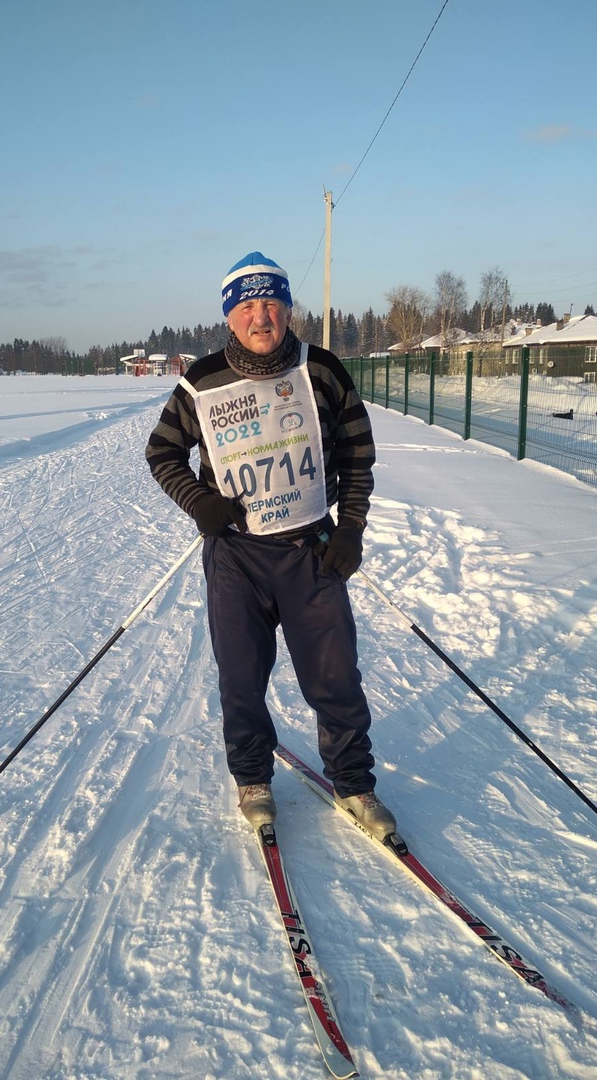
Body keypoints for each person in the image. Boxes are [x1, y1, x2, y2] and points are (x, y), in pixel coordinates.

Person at [145, 252, 396, 839]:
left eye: (272, 303)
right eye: (248, 306)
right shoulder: (200, 381)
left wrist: (353, 528)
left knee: (334, 674)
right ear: (231, 317)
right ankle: (253, 777)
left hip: (313, 549)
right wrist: (199, 501)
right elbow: (162, 453)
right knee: (241, 674)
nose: (262, 317)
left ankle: (355, 783)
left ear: (288, 308)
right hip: (237, 555)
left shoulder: (324, 370)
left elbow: (359, 456)